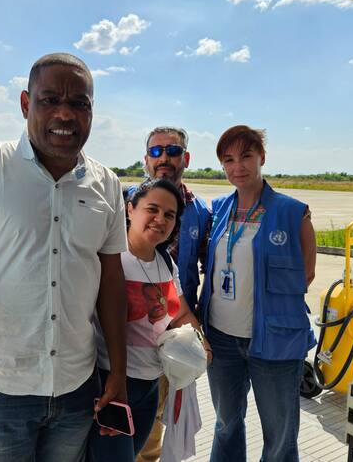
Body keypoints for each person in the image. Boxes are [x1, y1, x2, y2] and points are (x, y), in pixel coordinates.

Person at [0, 53, 128, 462]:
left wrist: (117, 371)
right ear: (25, 103)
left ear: (92, 111)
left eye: (80, 103)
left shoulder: (107, 184)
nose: (65, 113)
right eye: (50, 100)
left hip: (77, 387)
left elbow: (111, 282)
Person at [198, 125, 317, 462]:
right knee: (226, 424)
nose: (238, 166)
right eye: (228, 159)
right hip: (221, 338)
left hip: (275, 340)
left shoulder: (293, 212)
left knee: (280, 435)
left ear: (262, 157)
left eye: (246, 156)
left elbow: (307, 274)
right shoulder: (218, 209)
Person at [87, 179, 211, 462]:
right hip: (111, 383)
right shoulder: (109, 258)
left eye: (169, 215)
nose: (160, 219)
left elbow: (181, 314)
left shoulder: (166, 262)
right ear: (130, 210)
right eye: (152, 209)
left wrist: (202, 346)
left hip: (151, 384)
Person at [129, 126, 211, 462]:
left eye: (173, 151)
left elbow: (211, 270)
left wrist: (199, 339)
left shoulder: (201, 211)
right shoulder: (123, 202)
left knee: (152, 436)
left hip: (172, 344)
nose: (164, 158)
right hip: (120, 353)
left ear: (185, 158)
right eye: (156, 151)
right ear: (146, 159)